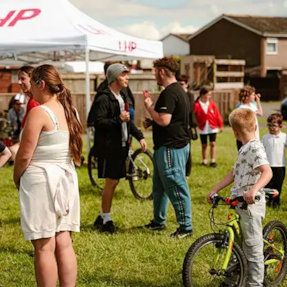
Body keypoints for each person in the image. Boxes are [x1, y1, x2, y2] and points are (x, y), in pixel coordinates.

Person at [14, 64, 82, 287]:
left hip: (42, 179)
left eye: (32, 83)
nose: (29, 90)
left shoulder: (38, 112)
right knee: (64, 242)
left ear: (41, 84)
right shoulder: (69, 110)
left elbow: (24, 155)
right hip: (65, 178)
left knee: (44, 246)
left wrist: (17, 177)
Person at [207, 108, 272, 287]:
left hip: (251, 204)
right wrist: (215, 189)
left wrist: (254, 190)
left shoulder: (256, 147)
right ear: (255, 125)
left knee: (253, 247)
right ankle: (232, 279)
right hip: (238, 202)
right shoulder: (245, 148)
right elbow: (234, 173)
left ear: (235, 132)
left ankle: (255, 284)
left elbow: (267, 172)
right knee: (236, 243)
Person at [92, 63, 147, 234]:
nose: (127, 78)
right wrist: (117, 119)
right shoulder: (103, 98)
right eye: (124, 75)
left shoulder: (121, 96)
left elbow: (127, 121)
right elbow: (98, 123)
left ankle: (102, 216)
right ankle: (106, 220)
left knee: (114, 182)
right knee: (111, 182)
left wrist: (140, 136)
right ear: (115, 77)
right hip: (109, 147)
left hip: (120, 145)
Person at [143, 57, 193, 239]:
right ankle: (158, 221)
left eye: (155, 71)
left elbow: (164, 120)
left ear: (162, 72)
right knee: (160, 187)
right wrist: (153, 121)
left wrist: (149, 108)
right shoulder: (178, 90)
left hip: (172, 147)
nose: (154, 75)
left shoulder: (170, 93)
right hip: (170, 145)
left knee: (175, 185)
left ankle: (185, 227)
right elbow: (170, 119)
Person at [9, 66, 40, 161]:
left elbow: (35, 134)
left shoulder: (34, 102)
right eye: (18, 79)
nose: (19, 82)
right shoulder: (32, 100)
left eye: (22, 79)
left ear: (32, 79)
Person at [194, 87, 223, 167]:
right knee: (204, 145)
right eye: (208, 95)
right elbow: (194, 115)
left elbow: (217, 115)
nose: (209, 96)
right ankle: (204, 160)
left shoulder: (212, 104)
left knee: (212, 143)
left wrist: (220, 125)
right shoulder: (197, 105)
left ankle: (213, 160)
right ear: (202, 95)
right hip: (203, 127)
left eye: (210, 95)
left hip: (212, 127)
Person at [262, 113, 286, 208]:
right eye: (269, 125)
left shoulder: (284, 137)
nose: (271, 128)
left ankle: (276, 203)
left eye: (274, 126)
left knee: (278, 185)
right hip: (268, 166)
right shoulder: (265, 137)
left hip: (280, 166)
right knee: (267, 185)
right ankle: (267, 202)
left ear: (280, 126)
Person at [178, 74, 197, 177]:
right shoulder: (176, 94)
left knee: (187, 150)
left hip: (187, 126)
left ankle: (187, 172)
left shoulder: (189, 95)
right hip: (178, 126)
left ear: (186, 84)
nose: (180, 86)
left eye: (182, 84)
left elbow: (189, 110)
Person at [236, 85, 263, 150]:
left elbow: (260, 113)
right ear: (247, 97)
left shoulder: (252, 106)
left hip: (254, 135)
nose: (255, 96)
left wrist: (258, 100)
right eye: (253, 95)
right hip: (247, 138)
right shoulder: (242, 108)